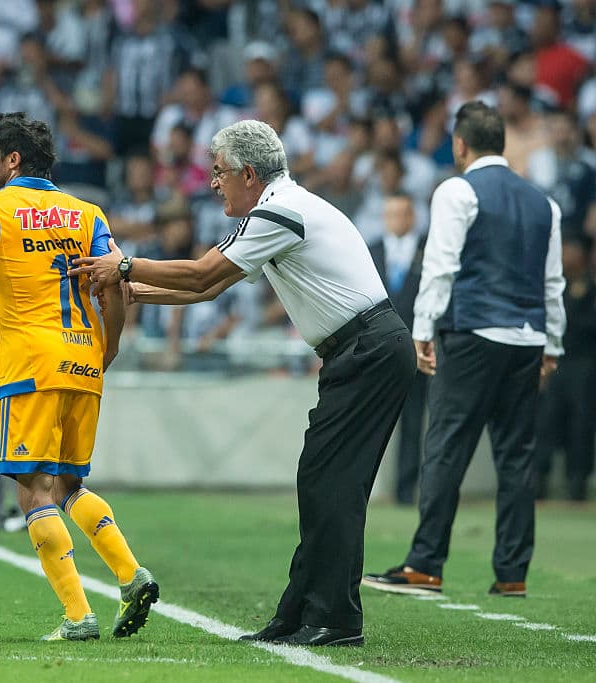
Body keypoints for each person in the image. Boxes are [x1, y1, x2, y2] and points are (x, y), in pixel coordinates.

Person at [72, 119, 416, 647]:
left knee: (333, 486)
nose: (213, 183)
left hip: (367, 351)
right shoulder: (279, 207)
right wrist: (134, 289)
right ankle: (299, 614)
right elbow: (208, 290)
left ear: (249, 173)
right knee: (323, 482)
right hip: (364, 350)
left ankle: (336, 620)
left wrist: (123, 266)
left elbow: (202, 274)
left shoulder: (278, 211)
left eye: (219, 172)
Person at [0, 112, 159, 641]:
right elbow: (116, 287)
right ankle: (131, 575)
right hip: (85, 358)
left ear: (12, 160)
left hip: (29, 365)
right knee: (68, 484)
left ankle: (77, 615)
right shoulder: (88, 213)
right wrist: (107, 349)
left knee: (32, 492)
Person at [362, 101, 566, 599]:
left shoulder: (457, 189)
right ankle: (512, 573)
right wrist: (553, 342)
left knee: (446, 447)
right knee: (516, 458)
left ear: (460, 143)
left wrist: (423, 329)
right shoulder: (545, 204)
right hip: (528, 337)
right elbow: (552, 281)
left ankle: (426, 565)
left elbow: (442, 264)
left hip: (473, 333)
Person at [368, 193, 429, 505]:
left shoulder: (428, 249)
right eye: (389, 213)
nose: (395, 219)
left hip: (420, 348)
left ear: (412, 216)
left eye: (401, 213)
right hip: (379, 352)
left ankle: (407, 491)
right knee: (372, 423)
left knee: (414, 422)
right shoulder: (372, 250)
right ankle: (366, 487)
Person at [535, 237, 595, 502]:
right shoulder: (555, 288)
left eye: (571, 252)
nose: (565, 257)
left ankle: (577, 482)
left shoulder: (591, 288)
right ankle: (540, 479)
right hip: (556, 363)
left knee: (580, 425)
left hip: (584, 366)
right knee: (546, 422)